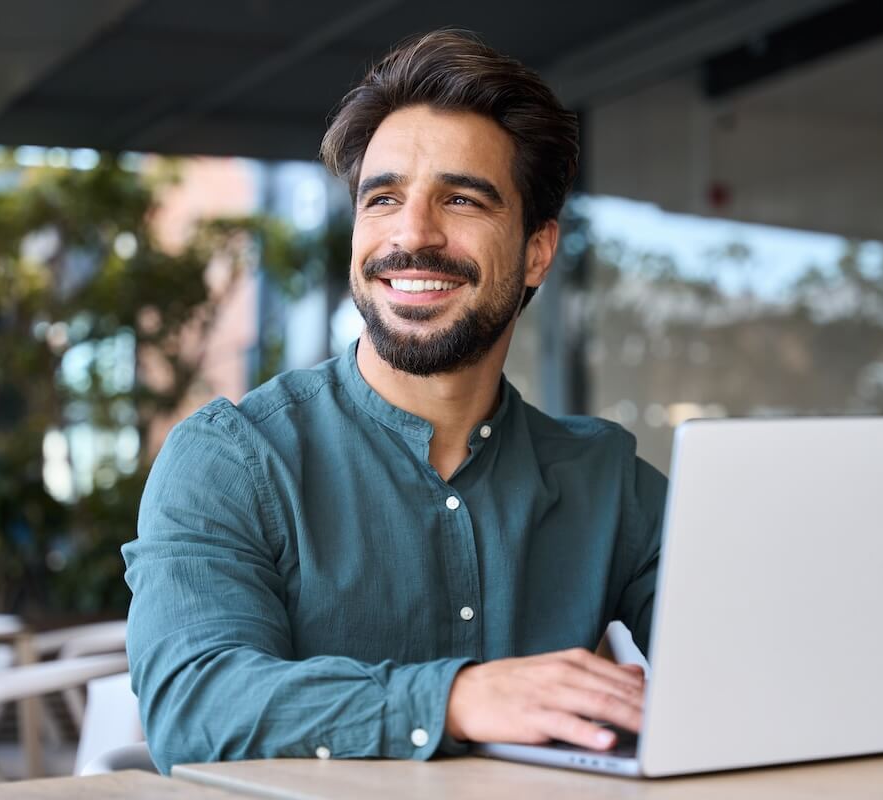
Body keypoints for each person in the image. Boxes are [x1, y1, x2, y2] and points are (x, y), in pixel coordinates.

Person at [122, 29, 667, 773]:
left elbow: (751, 660)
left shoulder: (607, 480)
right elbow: (195, 702)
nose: (412, 235)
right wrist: (455, 698)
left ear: (538, 249)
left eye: (462, 199)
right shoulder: (231, 461)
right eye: (383, 199)